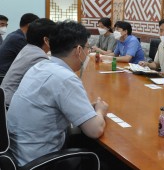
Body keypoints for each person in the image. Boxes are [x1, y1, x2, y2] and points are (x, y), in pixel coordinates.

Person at [7, 20, 108, 167]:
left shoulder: (40, 66)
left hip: (18, 155)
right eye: (88, 48)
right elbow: (95, 130)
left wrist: (85, 109)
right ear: (79, 50)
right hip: (39, 161)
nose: (88, 53)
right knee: (106, 159)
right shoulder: (65, 78)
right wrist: (100, 111)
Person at [1, 18, 56, 107]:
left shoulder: (28, 48)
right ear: (46, 40)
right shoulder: (39, 57)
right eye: (55, 38)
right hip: (10, 105)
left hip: (7, 99)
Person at [0, 13, 39, 80]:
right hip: (4, 76)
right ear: (30, 25)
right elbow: (32, 58)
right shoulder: (18, 38)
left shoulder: (15, 35)